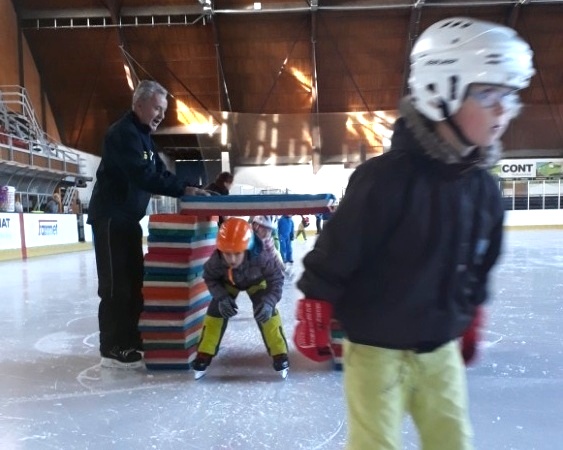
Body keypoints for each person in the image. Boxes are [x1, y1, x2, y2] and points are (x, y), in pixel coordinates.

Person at [294, 17, 534, 450]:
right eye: (488, 93)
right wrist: (314, 305)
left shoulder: (483, 189)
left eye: (509, 95)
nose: (504, 110)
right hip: (375, 350)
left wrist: (471, 312)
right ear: (440, 91)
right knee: (375, 443)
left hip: (440, 348)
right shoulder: (383, 180)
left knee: (453, 440)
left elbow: (481, 262)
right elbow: (337, 250)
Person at [87, 79, 208, 369]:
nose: (160, 115)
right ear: (139, 104)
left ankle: (131, 338)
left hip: (128, 219)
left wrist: (188, 187)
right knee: (116, 285)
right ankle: (112, 345)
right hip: (111, 218)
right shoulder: (122, 134)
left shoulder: (145, 139)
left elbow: (160, 173)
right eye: (156, 108)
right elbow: (142, 175)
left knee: (134, 282)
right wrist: (182, 190)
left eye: (163, 111)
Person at [192, 217, 289, 379]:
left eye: (237, 254)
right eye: (227, 254)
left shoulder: (262, 257)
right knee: (215, 311)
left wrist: (269, 302)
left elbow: (277, 280)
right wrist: (221, 297)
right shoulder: (216, 260)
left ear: (248, 248)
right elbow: (210, 277)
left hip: (257, 282)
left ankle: (280, 353)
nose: (231, 259)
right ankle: (204, 353)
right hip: (229, 282)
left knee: (267, 312)